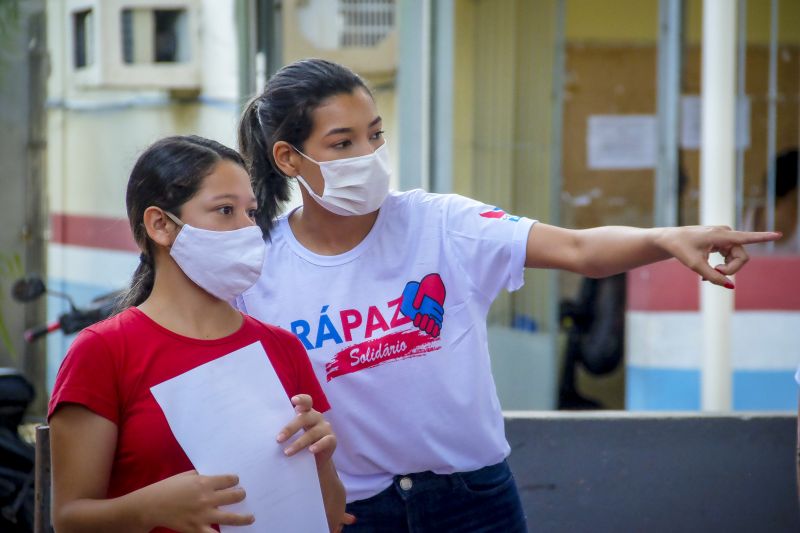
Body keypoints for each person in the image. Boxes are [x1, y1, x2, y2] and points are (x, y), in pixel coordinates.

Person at [236, 59, 781, 532]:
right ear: (288, 158)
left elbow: (578, 249)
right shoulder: (258, 270)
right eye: (343, 142)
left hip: (472, 499)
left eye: (375, 134)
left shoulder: (441, 223)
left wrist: (665, 238)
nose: (369, 153)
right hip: (350, 510)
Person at [48, 136, 349, 533]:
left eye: (250, 213)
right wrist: (150, 508)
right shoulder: (104, 351)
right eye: (225, 210)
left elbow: (330, 519)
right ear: (160, 225)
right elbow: (68, 519)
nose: (247, 229)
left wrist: (321, 453)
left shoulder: (281, 347)